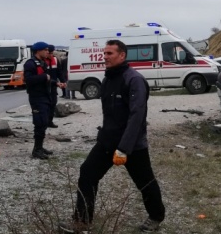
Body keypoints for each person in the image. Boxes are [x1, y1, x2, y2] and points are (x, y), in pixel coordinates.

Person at [64, 39, 165, 233]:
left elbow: (137, 117)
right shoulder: (107, 79)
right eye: (104, 53)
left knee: (145, 182)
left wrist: (124, 148)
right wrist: (105, 138)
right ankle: (82, 222)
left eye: (109, 53)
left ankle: (156, 217)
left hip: (132, 145)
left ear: (122, 55)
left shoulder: (134, 80)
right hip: (107, 142)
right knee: (87, 173)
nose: (105, 57)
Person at [23, 41, 53, 159]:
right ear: (38, 51)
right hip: (36, 97)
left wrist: (57, 83)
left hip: (45, 96)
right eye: (45, 50)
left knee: (44, 122)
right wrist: (44, 77)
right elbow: (28, 79)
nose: (47, 52)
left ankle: (40, 147)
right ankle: (36, 150)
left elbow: (47, 79)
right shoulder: (30, 64)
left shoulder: (43, 63)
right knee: (39, 123)